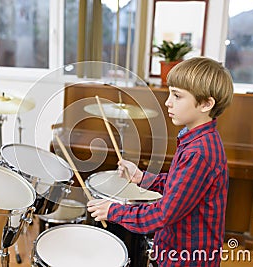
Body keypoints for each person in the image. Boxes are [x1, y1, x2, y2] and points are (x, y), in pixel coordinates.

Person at [87, 57, 234, 267]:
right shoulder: (193, 138)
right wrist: (142, 177)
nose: (168, 102)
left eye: (177, 96)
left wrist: (113, 211)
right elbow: (180, 187)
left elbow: (164, 214)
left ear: (205, 104)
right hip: (173, 246)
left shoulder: (199, 153)